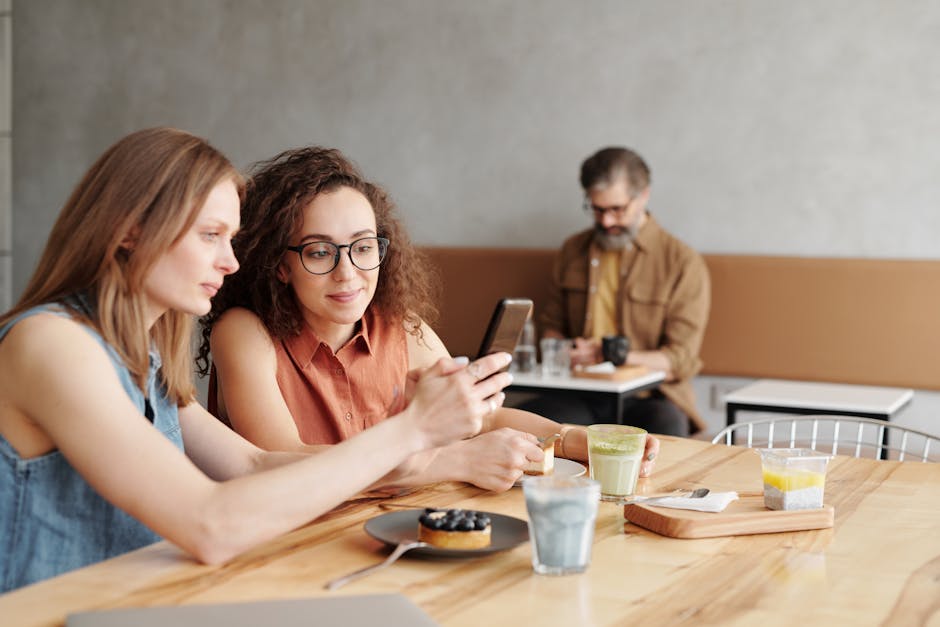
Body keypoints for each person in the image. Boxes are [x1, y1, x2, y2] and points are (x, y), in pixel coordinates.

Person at [0, 128, 511, 592]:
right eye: (210, 235)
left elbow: (253, 464)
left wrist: (404, 454)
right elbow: (209, 525)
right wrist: (409, 433)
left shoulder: (142, 355)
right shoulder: (52, 344)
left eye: (231, 238)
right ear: (131, 230)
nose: (232, 261)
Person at [197, 147, 660, 490]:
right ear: (280, 263)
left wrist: (582, 441)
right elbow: (280, 464)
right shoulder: (243, 331)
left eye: (362, 248)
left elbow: (483, 418)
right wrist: (452, 462)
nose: (348, 273)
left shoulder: (400, 325)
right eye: (320, 252)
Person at [526, 147, 710, 436]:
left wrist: (609, 355)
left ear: (644, 196)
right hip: (579, 392)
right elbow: (551, 326)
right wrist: (564, 351)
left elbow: (681, 360)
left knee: (666, 431)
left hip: (651, 398)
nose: (607, 222)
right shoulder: (572, 251)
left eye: (617, 209)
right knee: (528, 426)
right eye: (597, 209)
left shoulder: (681, 262)